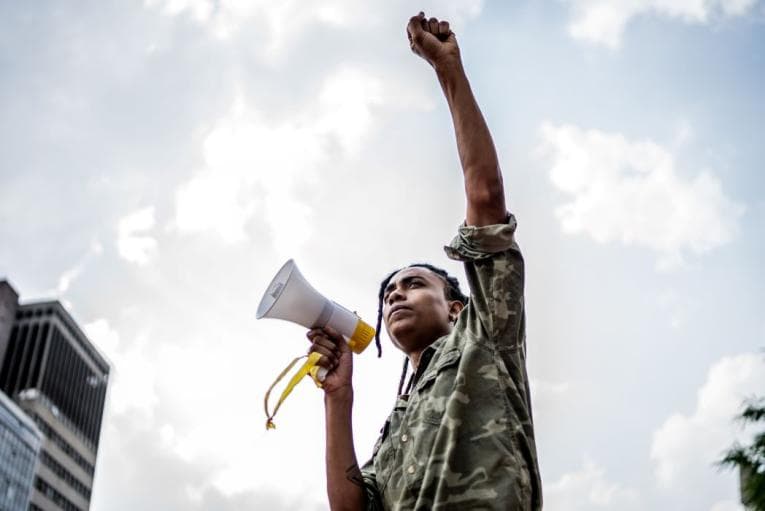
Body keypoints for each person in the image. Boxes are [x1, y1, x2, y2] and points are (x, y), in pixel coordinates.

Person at [307, 12, 542, 510]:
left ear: (456, 308)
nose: (395, 294)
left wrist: (447, 70)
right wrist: (337, 398)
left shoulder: (486, 337)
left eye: (413, 284)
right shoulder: (398, 424)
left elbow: (485, 194)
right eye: (390, 293)